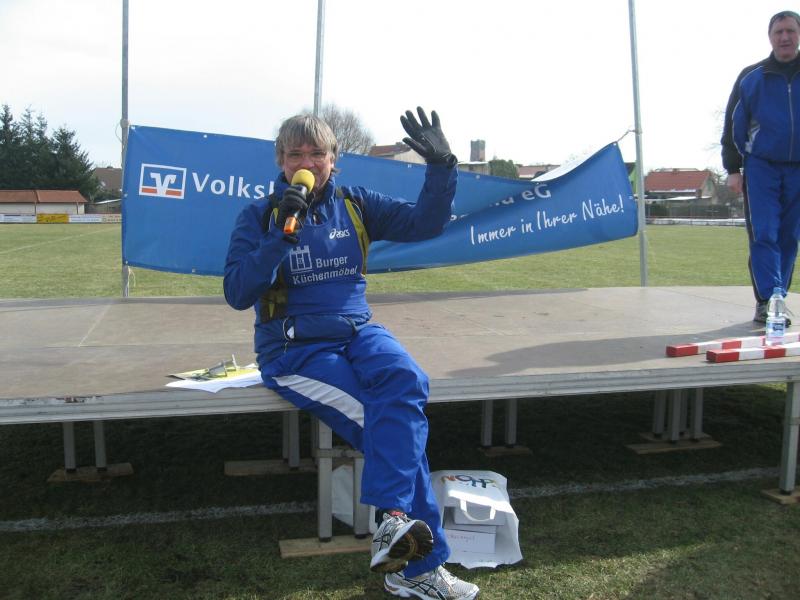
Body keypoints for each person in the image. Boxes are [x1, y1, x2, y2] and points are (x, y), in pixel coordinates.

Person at [223, 107, 479, 600]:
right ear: (280, 160)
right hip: (294, 349)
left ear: (333, 159)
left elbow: (426, 222)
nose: (307, 162)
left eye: (316, 153)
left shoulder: (355, 204)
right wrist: (280, 236)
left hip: (358, 331)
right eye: (296, 154)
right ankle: (414, 564)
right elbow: (237, 292)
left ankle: (395, 528)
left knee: (408, 382)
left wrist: (442, 166)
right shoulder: (259, 216)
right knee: (386, 427)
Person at [722, 10, 800, 326]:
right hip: (761, 167)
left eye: (790, 31)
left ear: (799, 35)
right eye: (779, 32)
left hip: (798, 169)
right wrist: (733, 168)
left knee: (789, 236)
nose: (785, 37)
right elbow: (732, 125)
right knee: (764, 231)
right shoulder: (751, 77)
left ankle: (779, 297)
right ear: (770, 37)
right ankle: (769, 300)